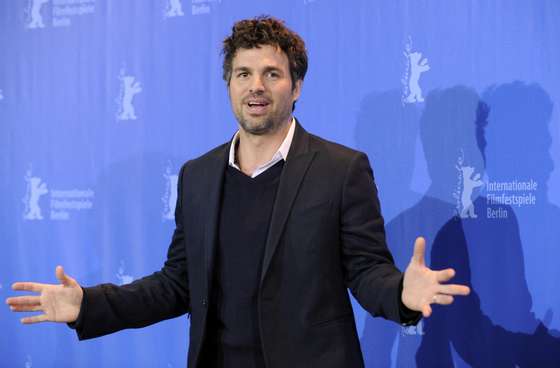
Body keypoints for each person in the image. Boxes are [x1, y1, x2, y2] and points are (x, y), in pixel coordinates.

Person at [6, 16, 470, 368]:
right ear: (229, 84)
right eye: (243, 73)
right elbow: (176, 284)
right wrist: (87, 304)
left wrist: (403, 298)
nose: (256, 86)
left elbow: (367, 271)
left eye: (272, 73)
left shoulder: (342, 170)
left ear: (297, 87)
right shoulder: (198, 175)